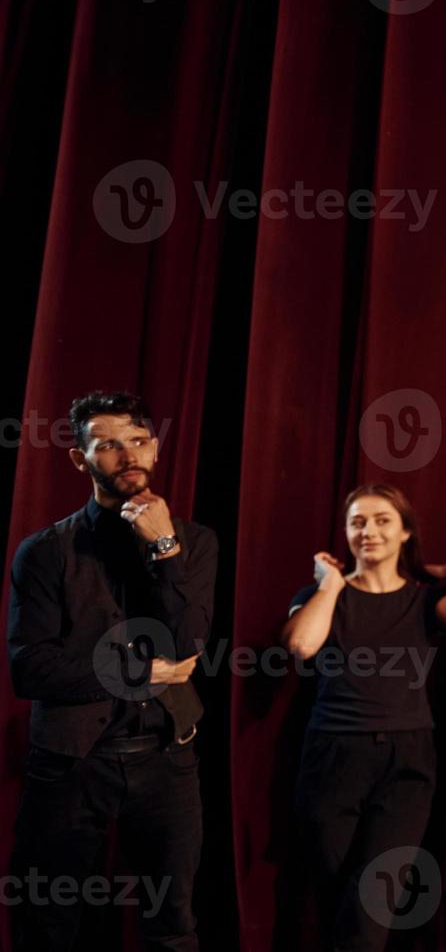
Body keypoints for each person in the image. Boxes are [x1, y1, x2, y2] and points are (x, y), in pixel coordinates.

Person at [7, 390, 215, 951]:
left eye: (140, 441)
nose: (130, 456)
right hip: (73, 764)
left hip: (169, 760)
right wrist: (140, 674)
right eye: (109, 445)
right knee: (47, 923)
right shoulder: (46, 552)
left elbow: (189, 644)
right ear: (80, 458)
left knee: (173, 928)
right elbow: (31, 669)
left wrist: (164, 548)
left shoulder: (194, 543)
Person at [283, 483, 446, 952]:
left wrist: (442, 569)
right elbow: (302, 645)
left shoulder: (426, 601)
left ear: (405, 532)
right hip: (333, 757)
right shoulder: (322, 594)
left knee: (373, 901)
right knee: (336, 896)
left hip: (406, 762)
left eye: (383, 521)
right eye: (358, 522)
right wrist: (331, 584)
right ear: (345, 532)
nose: (369, 531)